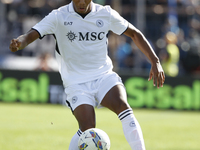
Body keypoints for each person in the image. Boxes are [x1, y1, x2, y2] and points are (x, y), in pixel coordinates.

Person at [9, 0, 165, 150]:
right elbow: (30, 35)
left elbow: (134, 34)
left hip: (103, 75)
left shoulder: (105, 13)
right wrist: (19, 43)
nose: (82, 2)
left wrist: (155, 61)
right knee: (88, 128)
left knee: (123, 106)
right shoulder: (58, 16)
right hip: (76, 83)